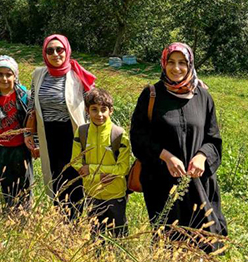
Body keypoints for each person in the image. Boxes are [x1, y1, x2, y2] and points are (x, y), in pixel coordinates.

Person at [130, 42, 227, 253]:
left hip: (199, 185)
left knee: (205, 243)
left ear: (190, 64)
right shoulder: (151, 95)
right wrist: (165, 156)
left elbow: (214, 139)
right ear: (163, 64)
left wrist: (202, 156)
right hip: (162, 186)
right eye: (171, 62)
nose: (176, 68)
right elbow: (138, 137)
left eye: (182, 63)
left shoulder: (203, 97)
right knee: (169, 245)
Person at [25, 34, 96, 215]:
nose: (55, 54)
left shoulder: (77, 75)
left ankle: (77, 218)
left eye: (59, 49)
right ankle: (60, 218)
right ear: (44, 53)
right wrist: (30, 135)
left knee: (75, 176)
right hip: (48, 133)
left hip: (72, 134)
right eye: (50, 50)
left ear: (67, 50)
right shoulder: (38, 75)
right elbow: (32, 106)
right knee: (55, 176)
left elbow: (94, 104)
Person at [71, 88, 130, 237]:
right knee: (96, 237)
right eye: (94, 110)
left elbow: (123, 168)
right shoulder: (82, 132)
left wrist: (91, 169)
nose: (99, 114)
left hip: (115, 194)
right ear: (87, 111)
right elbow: (76, 163)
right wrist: (99, 176)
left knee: (118, 236)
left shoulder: (119, 134)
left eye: (104, 110)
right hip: (92, 194)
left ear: (111, 111)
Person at [0, 56, 33, 212]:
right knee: (5, 181)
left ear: (15, 75)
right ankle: (10, 211)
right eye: (0, 74)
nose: (4, 78)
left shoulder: (24, 95)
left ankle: (25, 213)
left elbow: (32, 122)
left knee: (24, 182)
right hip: (0, 148)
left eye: (8, 74)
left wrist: (34, 144)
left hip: (21, 147)